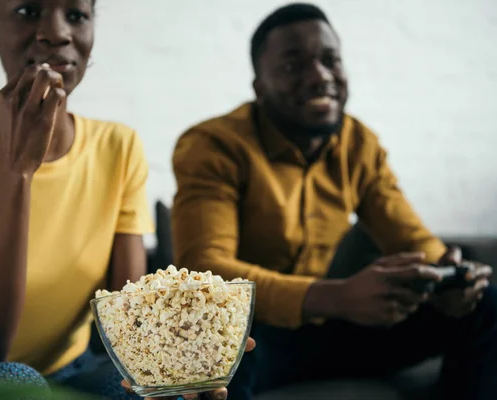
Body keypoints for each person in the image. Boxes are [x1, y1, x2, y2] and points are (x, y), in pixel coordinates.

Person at [0, 1, 236, 399]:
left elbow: (128, 323)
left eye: (76, 14)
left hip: (74, 372)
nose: (57, 33)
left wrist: (197, 348)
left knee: (152, 388)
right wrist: (15, 168)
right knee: (15, 383)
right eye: (27, 11)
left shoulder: (118, 147)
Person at [171, 3, 497, 400]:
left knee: (487, 304)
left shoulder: (360, 144)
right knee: (211, 351)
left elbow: (413, 239)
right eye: (294, 66)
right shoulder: (214, 145)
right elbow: (206, 271)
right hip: (256, 334)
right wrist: (338, 296)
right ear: (258, 87)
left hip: (335, 330)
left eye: (330, 60)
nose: (319, 76)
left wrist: (449, 275)